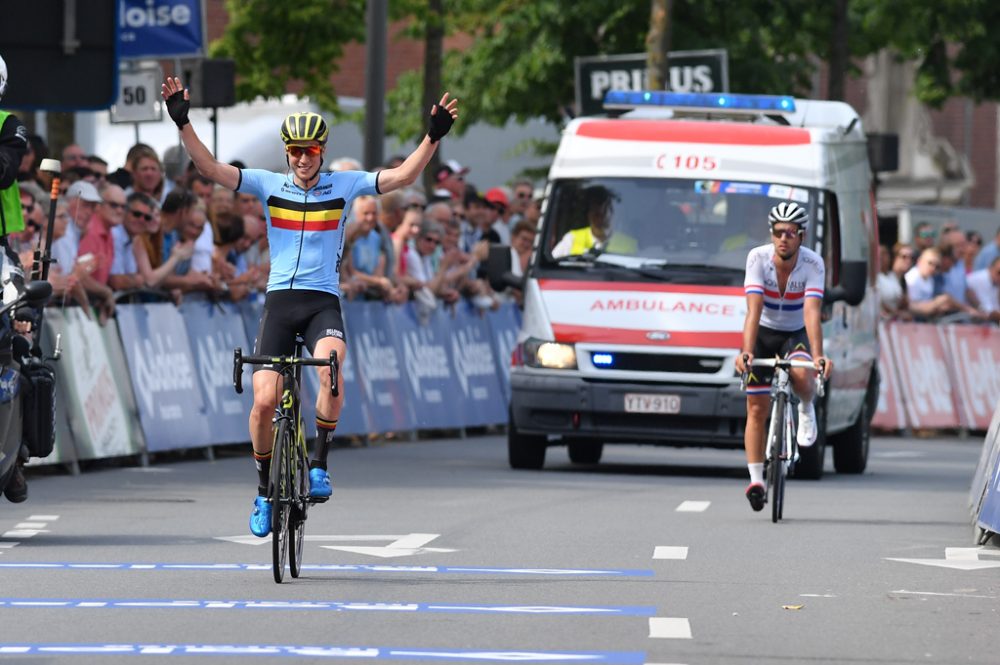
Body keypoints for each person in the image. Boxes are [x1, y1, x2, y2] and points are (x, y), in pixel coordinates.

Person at [162, 75, 459, 537]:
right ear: (287, 153)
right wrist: (183, 122)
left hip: (323, 302)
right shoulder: (267, 185)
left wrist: (432, 136)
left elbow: (402, 177)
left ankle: (319, 463)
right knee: (263, 402)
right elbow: (211, 169)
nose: (303, 159)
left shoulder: (344, 186)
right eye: (296, 151)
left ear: (322, 151)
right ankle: (263, 491)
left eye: (311, 151)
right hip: (280, 302)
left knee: (331, 369)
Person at [734, 202, 832, 513]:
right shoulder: (757, 258)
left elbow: (812, 312)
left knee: (803, 375)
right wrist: (746, 352)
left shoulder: (813, 264)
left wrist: (818, 356)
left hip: (794, 332)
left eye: (790, 233)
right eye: (778, 233)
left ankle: (805, 407)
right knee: (756, 406)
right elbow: (753, 311)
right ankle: (756, 480)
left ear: (801, 236)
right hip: (763, 333)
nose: (783, 239)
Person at [551, 185, 636, 257]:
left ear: (612, 212)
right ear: (588, 214)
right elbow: (551, 265)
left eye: (605, 211)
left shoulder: (629, 244)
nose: (601, 218)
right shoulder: (571, 239)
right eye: (596, 213)